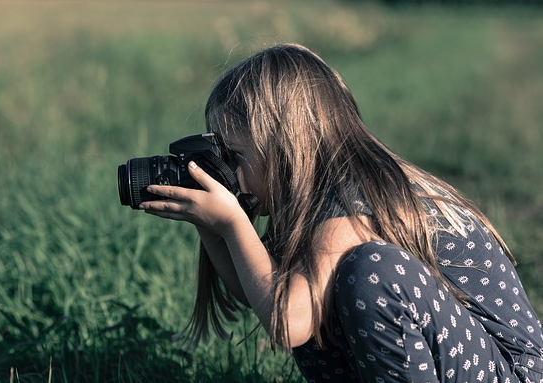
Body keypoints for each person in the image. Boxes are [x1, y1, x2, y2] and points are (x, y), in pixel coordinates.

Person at [138, 43, 543, 382]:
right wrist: (212, 228)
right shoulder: (309, 210)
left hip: (512, 374)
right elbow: (264, 294)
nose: (227, 170)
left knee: (372, 272)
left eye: (233, 156)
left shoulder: (349, 200)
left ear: (284, 146)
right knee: (315, 297)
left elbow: (286, 322)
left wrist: (232, 223)